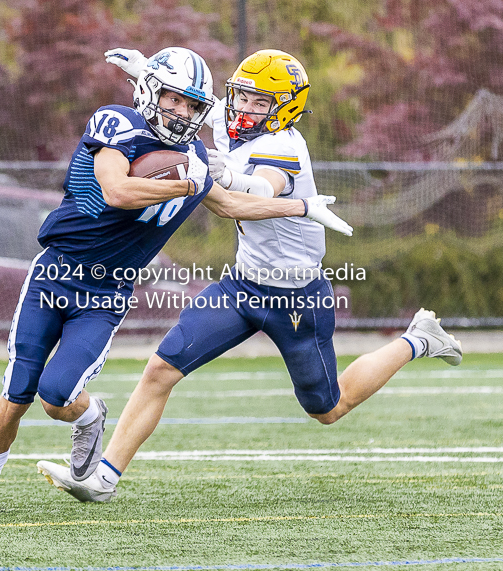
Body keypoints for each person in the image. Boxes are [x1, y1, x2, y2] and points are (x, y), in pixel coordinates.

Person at [35, 49, 463, 503]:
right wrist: (148, 73)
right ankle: (103, 480)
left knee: (328, 407)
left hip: (295, 298)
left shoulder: (284, 145)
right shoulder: (239, 119)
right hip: (241, 287)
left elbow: (263, 187)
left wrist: (226, 174)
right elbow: (202, 105)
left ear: (284, 108)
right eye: (241, 95)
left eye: (260, 102)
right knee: (161, 369)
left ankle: (419, 339)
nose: (244, 107)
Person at [0, 46, 353, 514]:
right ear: (151, 91)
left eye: (192, 104)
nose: (182, 111)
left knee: (56, 397)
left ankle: (91, 417)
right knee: (17, 391)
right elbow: (117, 191)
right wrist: (188, 182)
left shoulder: (203, 152)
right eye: (173, 99)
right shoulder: (118, 122)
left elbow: (236, 203)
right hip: (53, 272)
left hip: (106, 291)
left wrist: (300, 206)